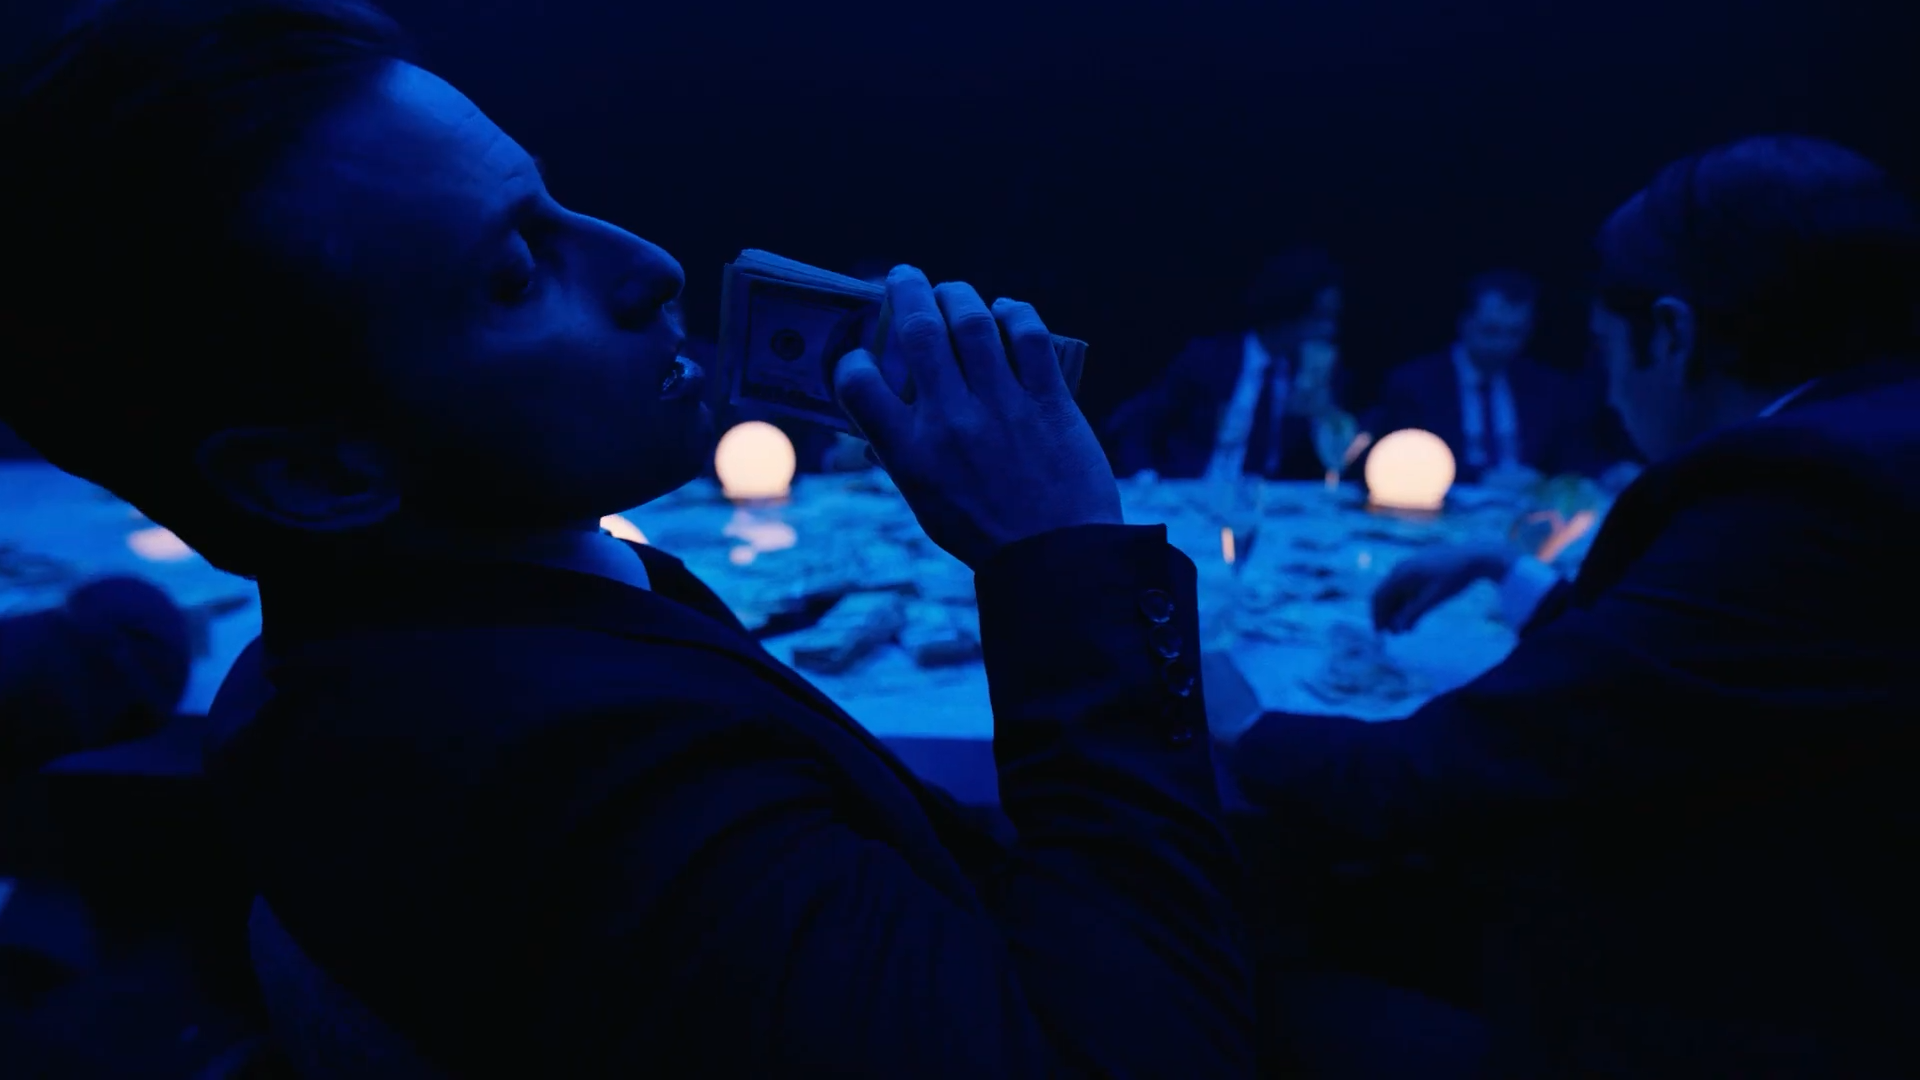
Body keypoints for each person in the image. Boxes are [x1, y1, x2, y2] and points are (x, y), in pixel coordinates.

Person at [0, 3, 1253, 1077]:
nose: (652, 264)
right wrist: (1058, 557)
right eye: (513, 273)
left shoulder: (479, 616)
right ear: (314, 474)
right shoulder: (568, 795)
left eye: (555, 200)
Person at [1229, 135, 1920, 1077]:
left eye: (1602, 350)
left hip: (1735, 1010)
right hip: (1795, 929)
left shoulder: (1808, 487)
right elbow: (1676, 676)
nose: (1608, 387)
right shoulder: (1876, 439)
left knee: (1234, 985)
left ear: (1671, 335)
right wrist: (1507, 574)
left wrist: (1241, 720)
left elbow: (1439, 772)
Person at [1106, 248, 1353, 483]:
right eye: (1319, 317)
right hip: (1195, 491)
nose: (1328, 330)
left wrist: (1323, 413)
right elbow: (1137, 424)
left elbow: (1334, 459)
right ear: (1288, 310)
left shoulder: (1314, 377)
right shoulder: (1209, 361)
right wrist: (1146, 478)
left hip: (1269, 499)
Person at [1366, 271, 1602, 487]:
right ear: (1464, 323)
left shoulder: (1547, 387)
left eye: (1515, 333)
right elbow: (1405, 460)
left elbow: (1572, 458)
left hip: (1527, 507)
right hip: (1448, 505)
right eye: (1491, 331)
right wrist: (1482, 478)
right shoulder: (1417, 384)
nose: (1502, 345)